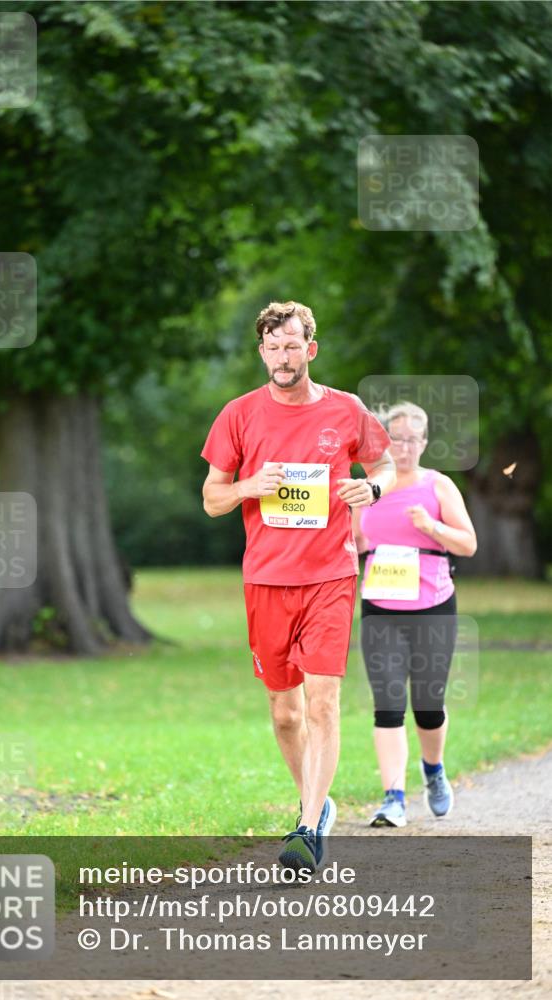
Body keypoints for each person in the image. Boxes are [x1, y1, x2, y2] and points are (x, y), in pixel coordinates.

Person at [201, 301, 395, 872]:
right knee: (285, 712)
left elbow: (384, 466)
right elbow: (212, 499)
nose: (283, 358)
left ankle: (307, 828)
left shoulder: (347, 409)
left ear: (310, 349)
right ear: (262, 353)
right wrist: (249, 486)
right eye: (273, 348)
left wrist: (371, 490)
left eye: (292, 346)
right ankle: (318, 799)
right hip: (266, 579)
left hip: (331, 574)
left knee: (323, 702)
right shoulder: (238, 415)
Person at [352, 401, 477, 828]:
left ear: (423, 443)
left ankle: (434, 769)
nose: (403, 447)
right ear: (383, 442)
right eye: (396, 439)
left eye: (411, 439)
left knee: (428, 705)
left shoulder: (438, 486)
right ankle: (393, 798)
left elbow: (468, 544)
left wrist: (431, 527)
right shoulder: (368, 488)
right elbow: (354, 542)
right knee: (388, 705)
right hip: (380, 608)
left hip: (433, 608)